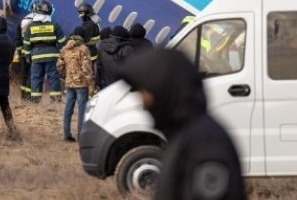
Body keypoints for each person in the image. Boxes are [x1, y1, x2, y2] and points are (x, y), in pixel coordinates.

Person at [118, 49, 245, 200]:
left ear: (164, 88)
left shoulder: (205, 144)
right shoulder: (184, 136)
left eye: (145, 91)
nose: (143, 101)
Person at [22, 0, 65, 103]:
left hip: (36, 56)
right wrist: (60, 53)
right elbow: (62, 41)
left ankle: (35, 100)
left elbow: (26, 43)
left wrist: (27, 57)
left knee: (36, 78)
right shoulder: (54, 24)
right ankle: (55, 100)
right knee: (53, 78)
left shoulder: (30, 26)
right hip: (52, 56)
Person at [57, 26, 94, 142]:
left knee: (68, 108)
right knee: (82, 109)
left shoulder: (65, 48)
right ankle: (81, 136)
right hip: (81, 84)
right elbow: (86, 68)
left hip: (69, 83)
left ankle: (66, 134)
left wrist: (65, 75)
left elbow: (59, 65)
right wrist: (90, 82)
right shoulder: (83, 49)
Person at [14, 12, 35, 101]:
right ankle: (29, 95)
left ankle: (23, 96)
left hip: (23, 53)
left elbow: (17, 40)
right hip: (32, 53)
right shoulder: (37, 22)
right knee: (32, 75)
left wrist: (19, 52)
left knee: (24, 75)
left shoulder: (22, 22)